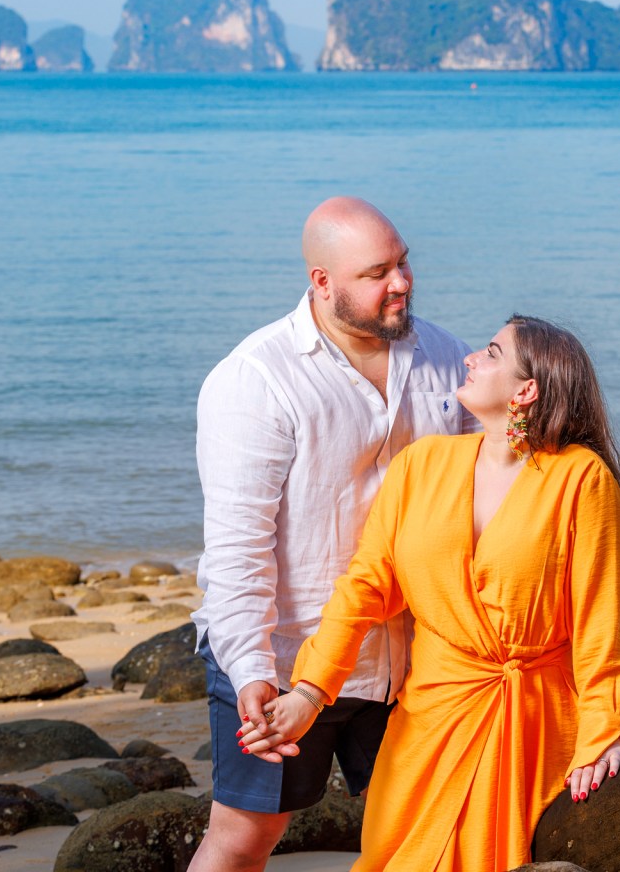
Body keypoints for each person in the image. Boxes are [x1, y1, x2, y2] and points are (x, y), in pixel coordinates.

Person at [241, 315, 620, 872]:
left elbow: (603, 625)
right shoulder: (420, 466)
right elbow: (363, 589)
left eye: (494, 353)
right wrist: (310, 692)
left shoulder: (581, 480)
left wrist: (601, 733)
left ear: (525, 390)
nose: (472, 358)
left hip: (534, 724)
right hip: (428, 719)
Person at [188, 197, 479, 872]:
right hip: (287, 655)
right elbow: (238, 550)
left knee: (426, 837)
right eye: (378, 272)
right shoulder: (255, 381)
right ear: (322, 283)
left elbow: (504, 459)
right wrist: (252, 670)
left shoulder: (443, 357)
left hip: (411, 658)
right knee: (245, 837)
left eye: (403, 262)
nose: (401, 282)